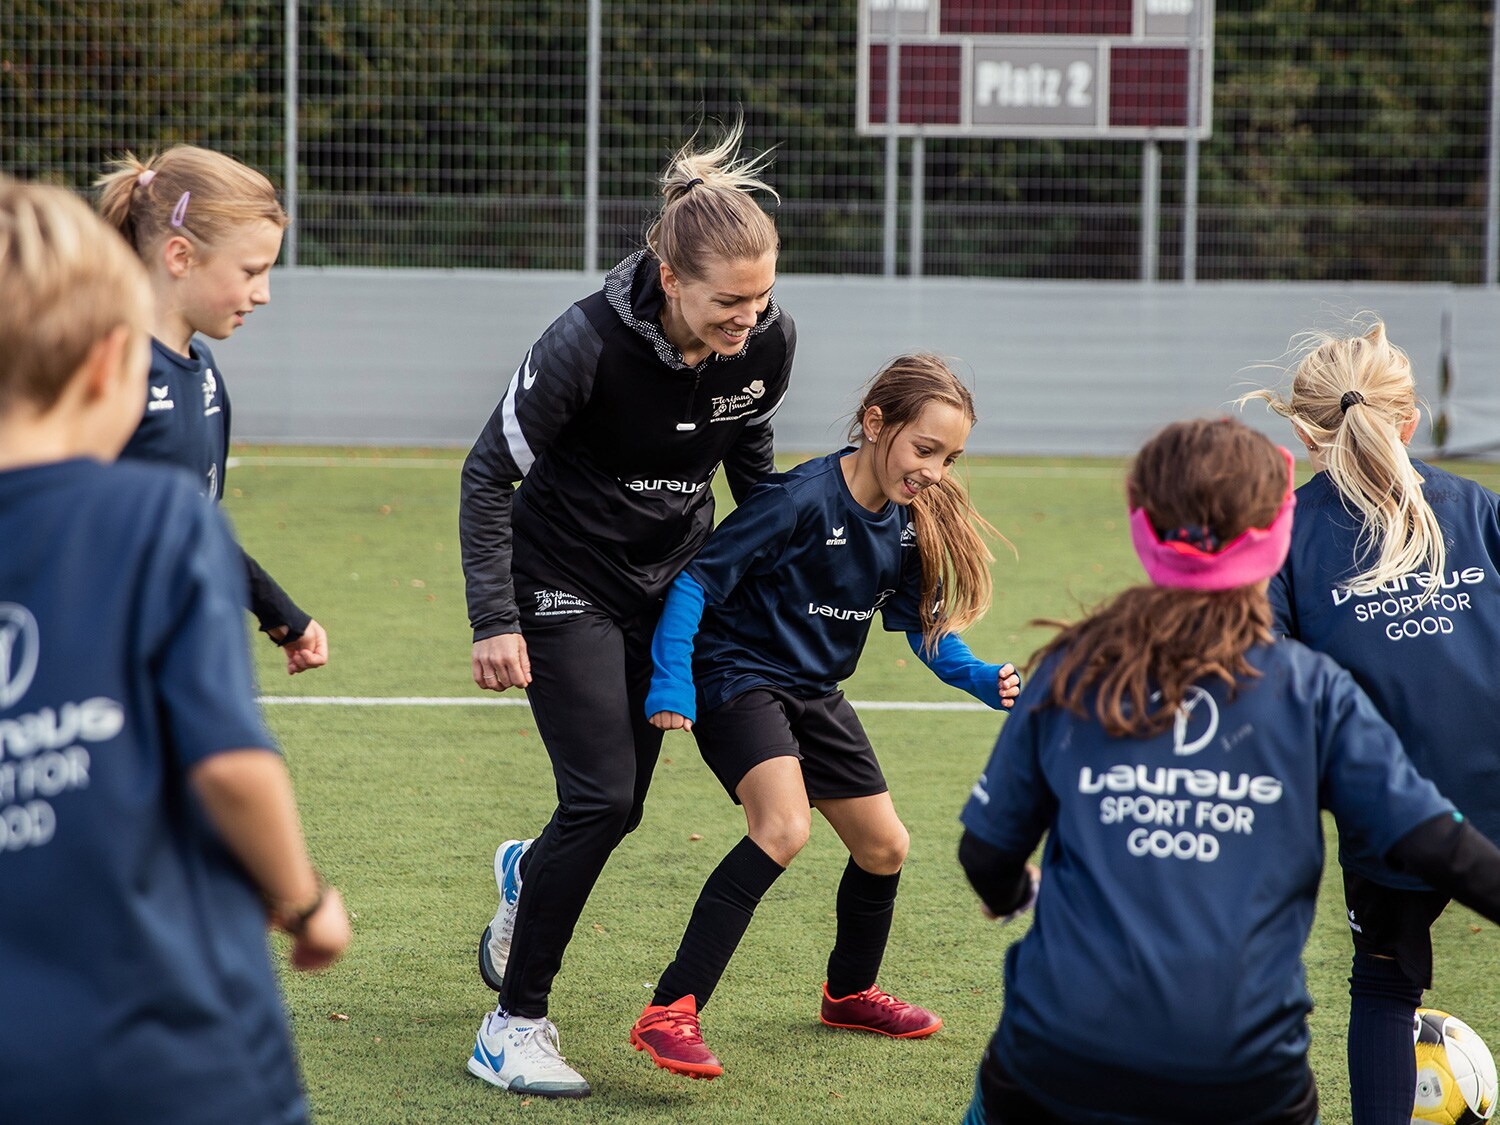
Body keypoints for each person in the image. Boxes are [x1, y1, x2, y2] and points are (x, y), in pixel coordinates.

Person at [957, 416, 1500, 1125]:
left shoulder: (1072, 668)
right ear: (1278, 535)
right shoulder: (1313, 690)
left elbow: (985, 852)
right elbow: (1436, 845)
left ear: (1142, 529)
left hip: (1057, 1063)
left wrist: (1008, 890)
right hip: (1248, 1082)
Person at [0, 178, 351, 1124]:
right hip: (173, 1042)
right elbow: (230, 767)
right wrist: (305, 897)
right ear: (108, 359)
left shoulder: (201, 391)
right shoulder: (151, 518)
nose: (262, 293)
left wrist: (278, 609)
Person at [458, 119, 796, 1099]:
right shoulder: (583, 344)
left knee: (621, 807)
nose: (748, 320)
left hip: (669, 581)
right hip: (563, 575)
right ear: (669, 272)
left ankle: (530, 870)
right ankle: (512, 1024)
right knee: (601, 797)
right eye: (728, 302)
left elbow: (753, 470)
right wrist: (494, 618)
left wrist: (763, 580)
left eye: (762, 298)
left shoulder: (766, 340)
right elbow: (489, 477)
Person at [628, 354, 1021, 1080]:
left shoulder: (906, 525)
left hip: (815, 690)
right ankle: (670, 1008)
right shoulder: (799, 498)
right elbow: (695, 584)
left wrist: (980, 677)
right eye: (924, 448)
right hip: (737, 676)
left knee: (886, 846)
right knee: (782, 827)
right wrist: (672, 681)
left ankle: (848, 992)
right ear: (875, 425)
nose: (935, 469)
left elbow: (922, 627)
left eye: (950, 456)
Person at [1241, 322, 1500, 1125]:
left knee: (1386, 982)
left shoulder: (1283, 533)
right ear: (1411, 421)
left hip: (1388, 816)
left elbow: (1271, 689)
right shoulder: (1479, 507)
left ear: (1300, 431)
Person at [96, 145, 328, 676]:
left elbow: (198, 524)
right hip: (102, 655)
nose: (263, 293)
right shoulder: (103, 370)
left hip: (173, 645)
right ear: (180, 257)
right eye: (251, 271)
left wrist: (279, 613)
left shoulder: (203, 371)